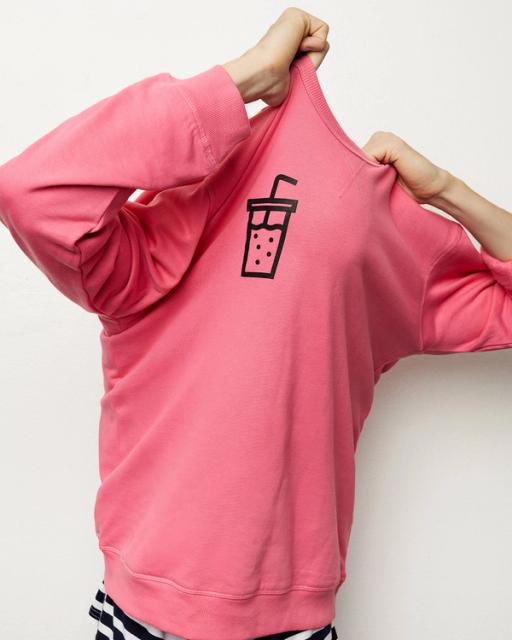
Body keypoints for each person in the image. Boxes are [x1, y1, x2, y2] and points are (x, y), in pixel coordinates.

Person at [0, 7, 510, 640]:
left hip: (287, 619)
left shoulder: (372, 238)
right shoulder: (143, 252)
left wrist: (443, 189)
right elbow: (28, 191)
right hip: (143, 613)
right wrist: (242, 79)